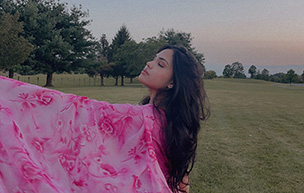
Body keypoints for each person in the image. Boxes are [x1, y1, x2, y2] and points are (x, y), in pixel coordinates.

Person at [0, 45, 209, 193]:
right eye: (154, 59)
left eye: (160, 64)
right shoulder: (171, 122)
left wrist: (9, 93)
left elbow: (78, 110)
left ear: (173, 83)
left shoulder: (143, 118)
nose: (150, 63)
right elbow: (182, 182)